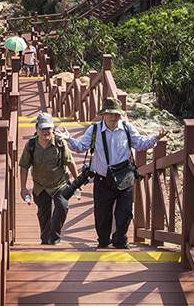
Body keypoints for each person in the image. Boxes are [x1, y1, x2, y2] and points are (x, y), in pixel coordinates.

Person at [56, 97, 168, 249]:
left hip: (124, 178)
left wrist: (156, 138)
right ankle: (103, 241)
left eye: (117, 114)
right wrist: (69, 139)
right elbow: (81, 147)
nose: (114, 117)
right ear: (104, 114)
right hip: (102, 179)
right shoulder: (95, 129)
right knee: (102, 215)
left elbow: (140, 145)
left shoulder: (127, 128)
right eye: (110, 114)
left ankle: (119, 240)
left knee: (126, 212)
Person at [19, 112, 78, 245]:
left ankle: (55, 237)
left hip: (59, 183)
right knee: (43, 214)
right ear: (37, 128)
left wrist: (77, 181)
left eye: (48, 129)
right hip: (41, 185)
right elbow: (24, 166)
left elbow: (70, 162)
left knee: (62, 207)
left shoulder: (59, 143)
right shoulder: (31, 145)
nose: (46, 132)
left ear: (52, 128)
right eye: (43, 128)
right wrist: (23, 188)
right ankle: (45, 240)